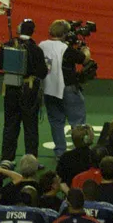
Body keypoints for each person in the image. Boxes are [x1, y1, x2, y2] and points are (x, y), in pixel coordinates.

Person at [0, 20, 47, 165]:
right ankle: (31, 160)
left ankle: (6, 159)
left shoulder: (8, 45)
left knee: (10, 125)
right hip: (29, 92)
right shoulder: (36, 49)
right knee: (30, 127)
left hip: (10, 90)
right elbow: (42, 72)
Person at [39, 20, 89, 156]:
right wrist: (85, 50)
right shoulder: (65, 49)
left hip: (49, 88)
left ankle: (60, 152)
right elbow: (84, 59)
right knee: (77, 121)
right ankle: (80, 152)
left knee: (56, 121)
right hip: (68, 88)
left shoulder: (42, 45)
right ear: (65, 34)